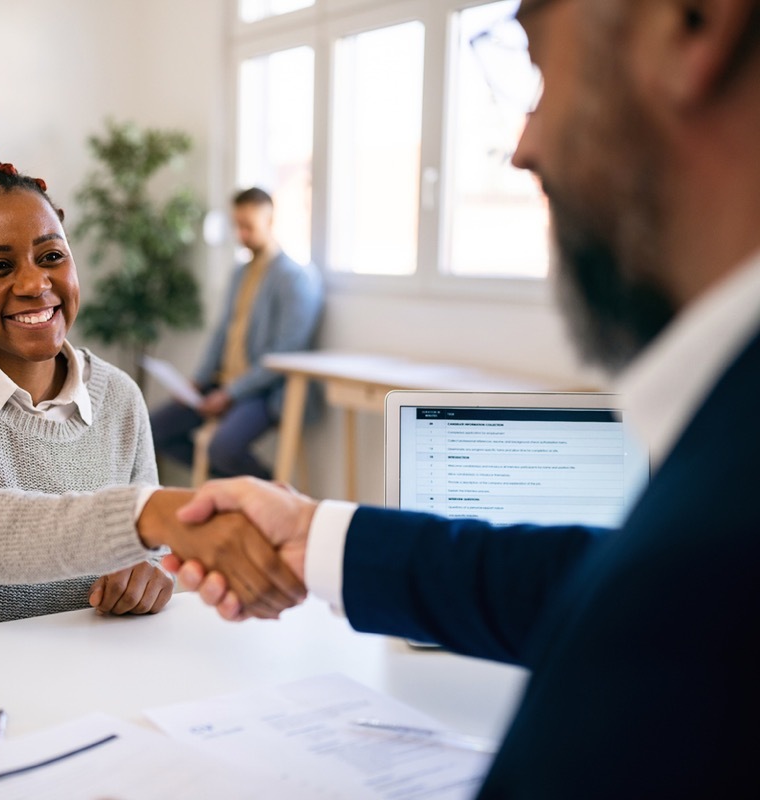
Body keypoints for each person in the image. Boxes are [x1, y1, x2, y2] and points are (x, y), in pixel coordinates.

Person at [163, 0, 760, 796]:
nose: (523, 146)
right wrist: (320, 535)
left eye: (540, 69)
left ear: (691, 23)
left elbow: (660, 608)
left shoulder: (721, 528)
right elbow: (597, 580)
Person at [0, 150, 303, 641]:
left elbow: (152, 560)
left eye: (51, 257)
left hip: (85, 685)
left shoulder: (119, 396)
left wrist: (150, 577)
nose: (34, 283)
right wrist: (154, 514)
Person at [150, 188, 322, 479]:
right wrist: (198, 381)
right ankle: (230, 489)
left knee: (223, 448)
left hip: (262, 393)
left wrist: (231, 394)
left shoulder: (295, 279)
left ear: (270, 221)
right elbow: (222, 333)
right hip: (220, 384)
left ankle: (269, 492)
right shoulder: (240, 273)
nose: (241, 235)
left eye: (248, 227)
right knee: (154, 429)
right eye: (237, 226)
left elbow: (284, 356)